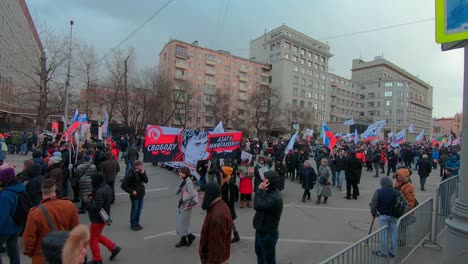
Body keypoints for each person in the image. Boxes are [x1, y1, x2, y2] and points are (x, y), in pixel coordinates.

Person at [23, 179, 79, 264]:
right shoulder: (69, 205)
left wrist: (29, 252)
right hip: (64, 251)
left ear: (41, 192)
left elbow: (29, 237)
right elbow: (75, 230)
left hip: (43, 254)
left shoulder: (35, 213)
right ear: (55, 190)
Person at [87, 172, 121, 264]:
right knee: (96, 235)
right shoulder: (106, 187)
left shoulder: (99, 191)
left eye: (92, 180)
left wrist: (88, 203)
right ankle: (113, 247)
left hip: (97, 219)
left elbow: (97, 207)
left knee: (92, 239)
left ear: (96, 180)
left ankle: (97, 260)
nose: (91, 182)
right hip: (104, 217)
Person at [253, 171, 283, 264]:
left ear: (271, 182)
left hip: (268, 234)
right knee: (259, 253)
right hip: (260, 229)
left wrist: (259, 190)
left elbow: (257, 205)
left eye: (265, 179)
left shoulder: (275, 197)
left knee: (269, 259)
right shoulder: (268, 191)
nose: (263, 180)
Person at [199, 183, 232, 264]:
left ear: (210, 194)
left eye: (204, 193)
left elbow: (217, 248)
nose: (201, 196)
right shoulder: (219, 205)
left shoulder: (217, 217)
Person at [0, 168, 26, 264]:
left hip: (5, 228)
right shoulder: (20, 187)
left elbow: (2, 215)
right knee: (12, 249)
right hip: (16, 225)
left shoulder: (5, 195)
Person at [370, 177, 399, 258]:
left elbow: (374, 204)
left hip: (383, 215)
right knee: (393, 233)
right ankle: (393, 251)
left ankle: (383, 252)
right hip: (394, 215)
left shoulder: (378, 191)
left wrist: (373, 213)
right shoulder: (396, 191)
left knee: (384, 233)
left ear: (382, 183)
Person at [120, 160, 148, 231]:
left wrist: (143, 172)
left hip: (141, 193)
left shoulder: (141, 171)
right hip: (135, 195)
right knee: (134, 210)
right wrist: (131, 191)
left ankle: (137, 223)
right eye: (141, 165)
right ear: (136, 166)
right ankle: (133, 224)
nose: (142, 166)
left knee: (139, 209)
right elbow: (123, 185)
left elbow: (146, 181)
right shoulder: (131, 173)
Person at [175, 167, 197, 247]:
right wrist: (180, 186)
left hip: (186, 205)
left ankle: (189, 237)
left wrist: (183, 199)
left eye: (180, 172)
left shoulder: (188, 182)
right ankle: (185, 239)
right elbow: (176, 192)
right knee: (182, 223)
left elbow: (192, 194)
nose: (179, 173)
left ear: (185, 173)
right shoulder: (183, 181)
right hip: (182, 205)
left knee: (183, 223)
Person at [220, 165, 240, 243]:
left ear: (225, 173)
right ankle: (236, 235)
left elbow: (229, 198)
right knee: (229, 221)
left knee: (229, 221)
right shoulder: (225, 181)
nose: (220, 174)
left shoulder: (229, 184)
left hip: (227, 206)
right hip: (225, 205)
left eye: (222, 173)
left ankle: (233, 236)